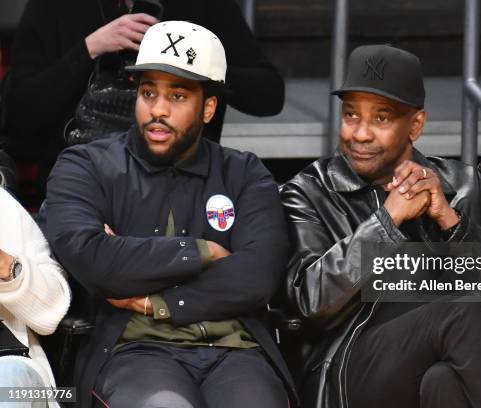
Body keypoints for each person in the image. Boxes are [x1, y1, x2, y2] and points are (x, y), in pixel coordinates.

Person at [43, 21, 295, 407]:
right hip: (135, 351)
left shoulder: (244, 172)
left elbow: (257, 277)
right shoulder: (86, 165)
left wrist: (153, 299)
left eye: (177, 96)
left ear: (208, 107)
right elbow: (91, 258)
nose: (157, 110)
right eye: (148, 93)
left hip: (236, 350)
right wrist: (203, 251)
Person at [281, 44, 481, 408]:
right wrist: (386, 222)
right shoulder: (308, 191)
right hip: (354, 366)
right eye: (350, 115)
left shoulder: (464, 186)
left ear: (416, 125)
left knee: (445, 384)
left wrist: (453, 223)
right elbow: (310, 303)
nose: (359, 133)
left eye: (381, 118)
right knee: (460, 308)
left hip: (459, 360)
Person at [2, 0, 284, 205]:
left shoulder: (203, 6)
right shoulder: (55, 7)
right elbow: (18, 117)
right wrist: (89, 49)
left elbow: (269, 95)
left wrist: (196, 63)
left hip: (181, 190)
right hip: (80, 187)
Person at [0, 179, 71, 407]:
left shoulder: (3, 207)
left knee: (9, 378)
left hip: (9, 368)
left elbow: (53, 309)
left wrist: (7, 268)